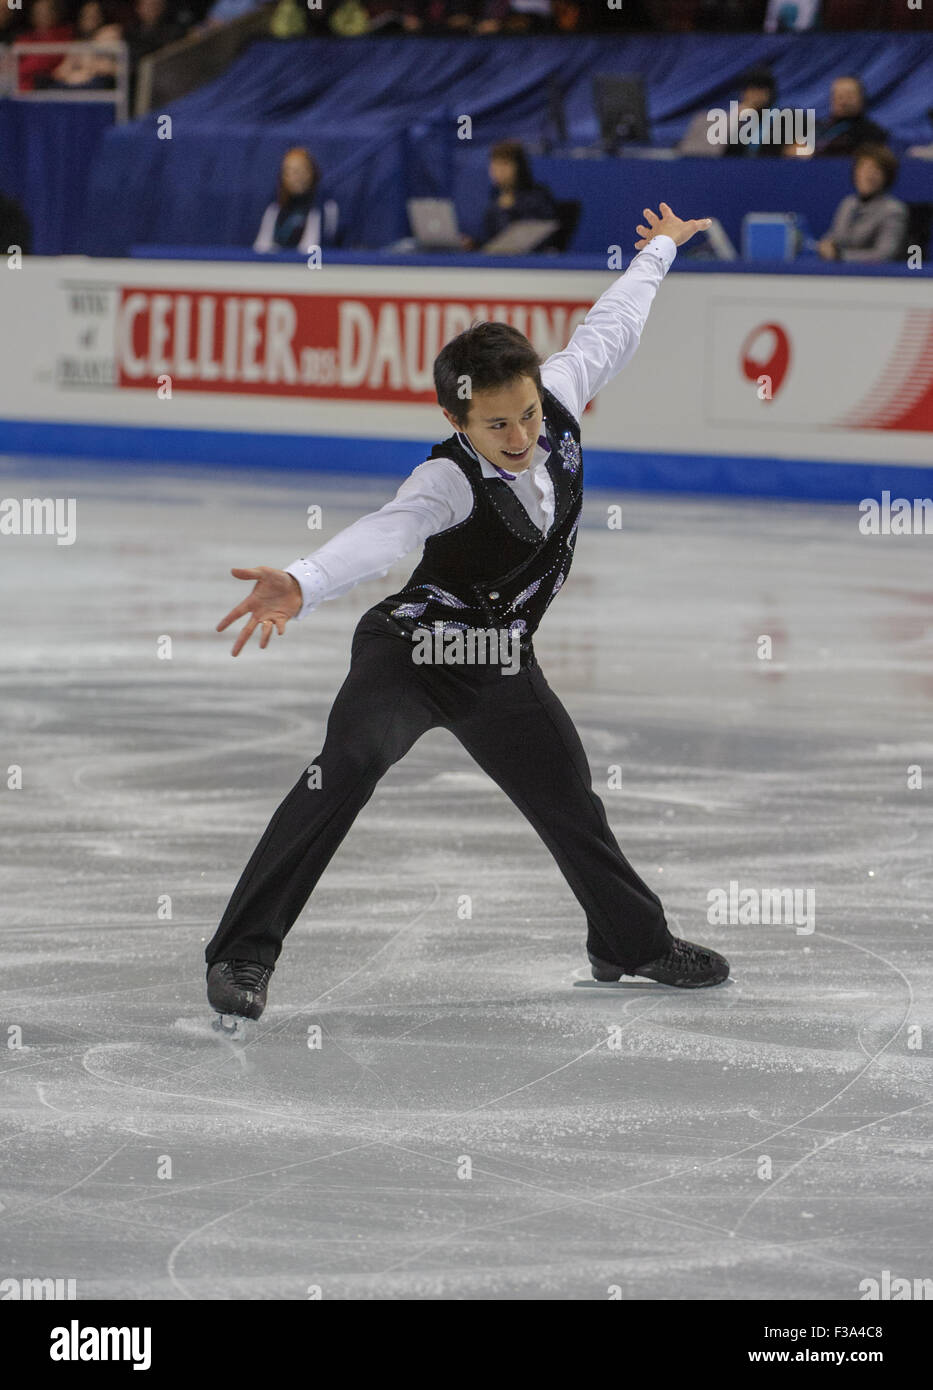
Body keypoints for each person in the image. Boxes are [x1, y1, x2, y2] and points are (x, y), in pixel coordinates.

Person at [204, 200, 731, 1029]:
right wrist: (304, 581)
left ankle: (627, 943)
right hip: (412, 653)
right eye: (496, 424)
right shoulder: (444, 480)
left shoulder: (552, 399)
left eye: (525, 413)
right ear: (455, 420)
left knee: (568, 796)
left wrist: (661, 248)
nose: (520, 434)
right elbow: (384, 536)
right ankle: (242, 953)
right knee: (340, 770)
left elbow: (612, 326)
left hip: (497, 658)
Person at [817, 144, 907, 263]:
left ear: (886, 176)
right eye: (863, 168)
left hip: (875, 277)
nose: (868, 175)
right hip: (840, 275)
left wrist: (840, 255)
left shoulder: (893, 210)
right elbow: (834, 235)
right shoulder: (849, 203)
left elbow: (884, 254)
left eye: (875, 170)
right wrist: (825, 245)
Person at [471, 139, 558, 249]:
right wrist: (474, 244)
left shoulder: (537, 198)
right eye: (494, 163)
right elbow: (489, 240)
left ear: (519, 167)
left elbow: (541, 235)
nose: (498, 170)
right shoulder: (493, 200)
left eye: (505, 164)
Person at [678, 68, 783, 158]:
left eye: (761, 90)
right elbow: (699, 152)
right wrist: (735, 116)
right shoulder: (734, 120)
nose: (755, 96)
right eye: (750, 90)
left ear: (770, 93)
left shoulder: (782, 120)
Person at [253, 147, 339, 254]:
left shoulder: (325, 207)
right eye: (288, 172)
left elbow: (314, 249)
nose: (294, 177)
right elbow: (261, 247)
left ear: (311, 172)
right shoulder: (274, 209)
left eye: (298, 171)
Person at [790, 75, 888, 159]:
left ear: (861, 98)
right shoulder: (818, 128)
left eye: (849, 96)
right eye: (839, 96)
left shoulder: (872, 133)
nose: (844, 102)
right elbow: (796, 151)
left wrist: (814, 153)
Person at [13, 0, 74, 91]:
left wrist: (21, 71)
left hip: (49, 86)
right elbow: (12, 61)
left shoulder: (65, 34)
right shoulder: (24, 38)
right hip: (18, 87)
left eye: (46, 11)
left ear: (55, 13)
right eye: (38, 12)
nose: (42, 15)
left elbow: (48, 60)